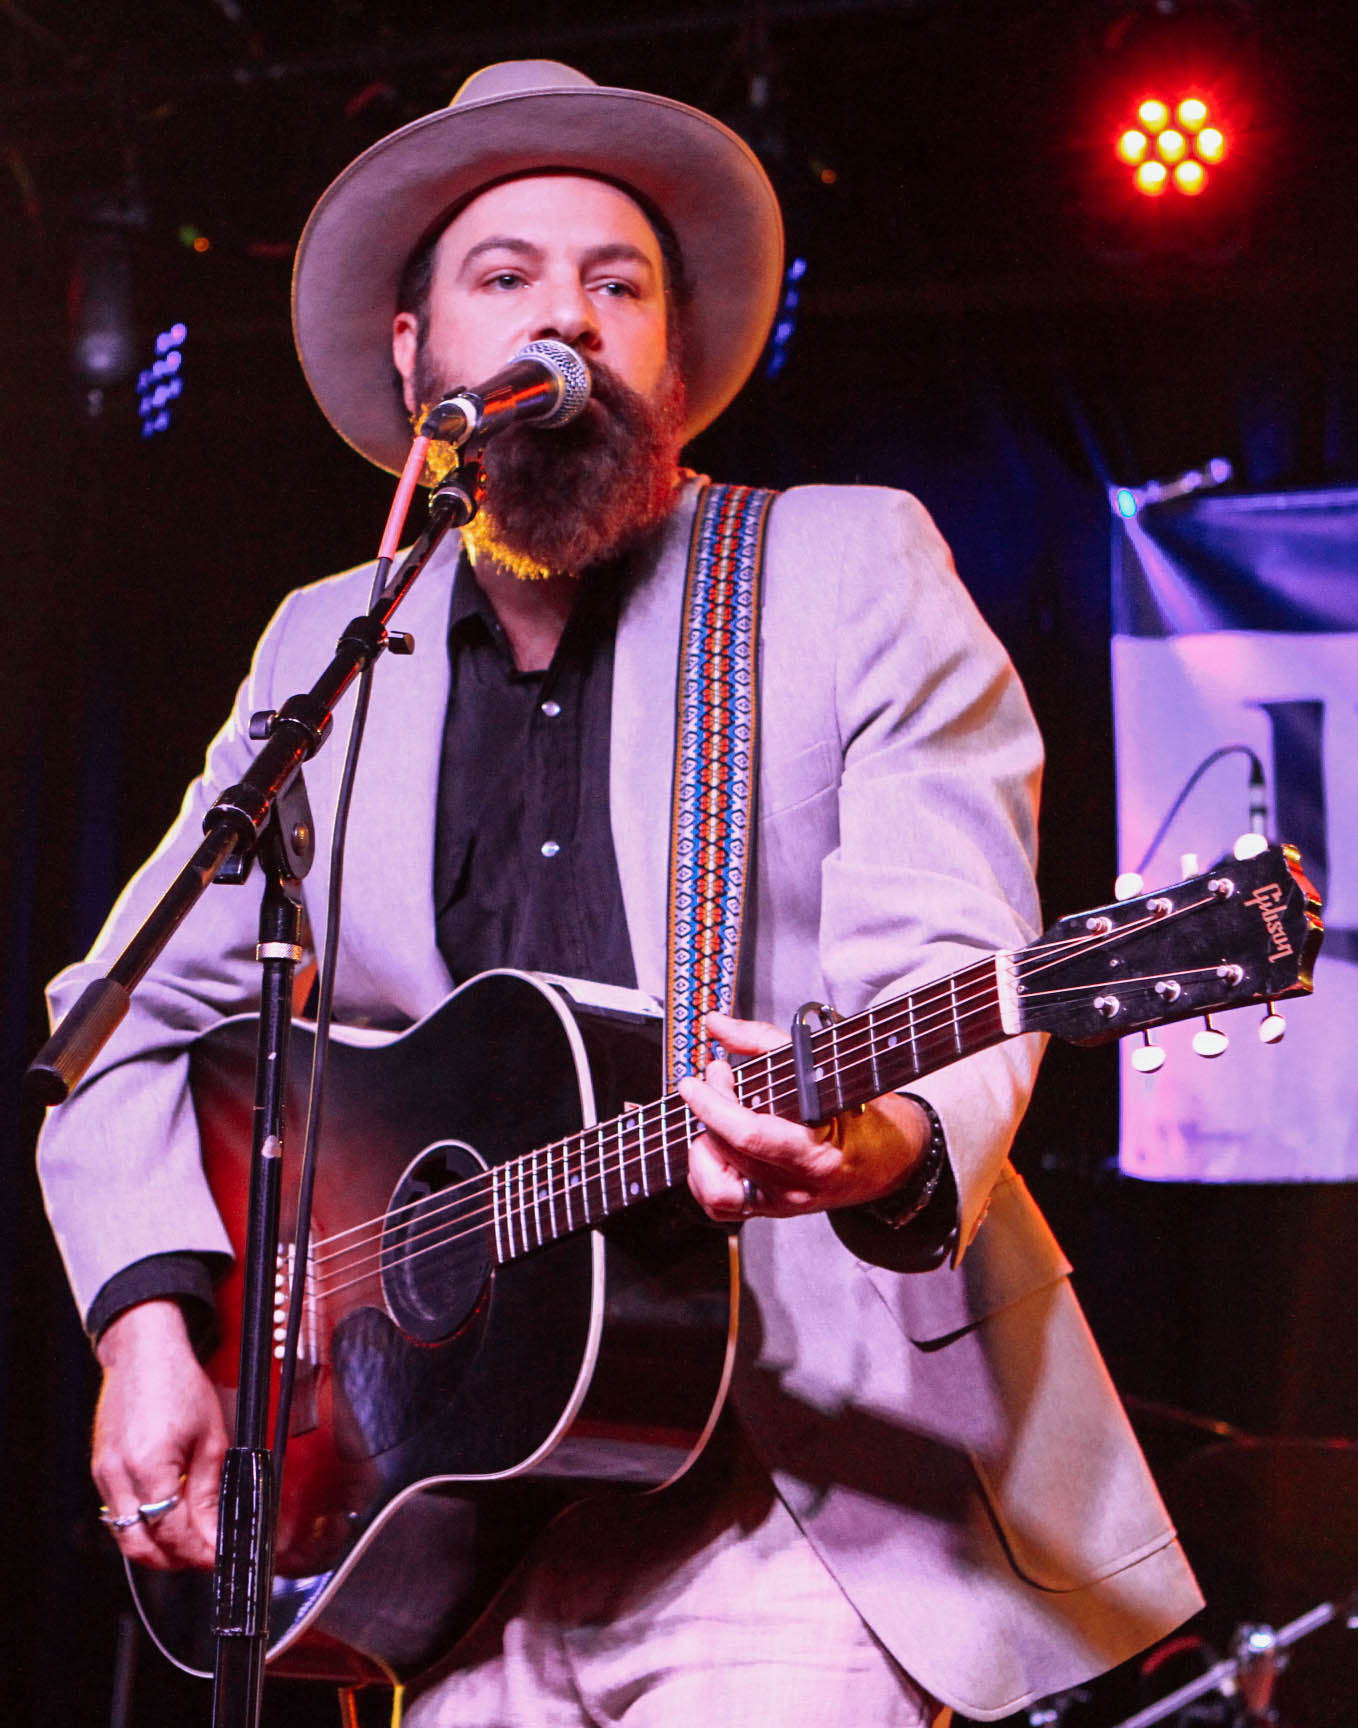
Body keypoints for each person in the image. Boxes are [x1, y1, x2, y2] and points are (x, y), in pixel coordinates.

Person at [38, 59, 1202, 1728]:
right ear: (415, 354)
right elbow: (126, 1016)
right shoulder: (327, 645)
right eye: (505, 275)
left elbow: (943, 944)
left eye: (617, 284)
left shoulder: (844, 566)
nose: (564, 317)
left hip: (798, 1491)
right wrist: (150, 1326)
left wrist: (875, 1139)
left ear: (670, 359)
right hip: (440, 1525)